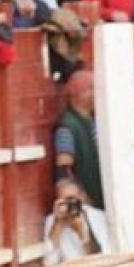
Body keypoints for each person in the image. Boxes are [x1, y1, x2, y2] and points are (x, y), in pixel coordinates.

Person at [54, 68, 103, 211]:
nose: (96, 94)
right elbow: (64, 168)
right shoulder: (67, 127)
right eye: (92, 89)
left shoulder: (94, 119)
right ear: (80, 94)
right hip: (88, 196)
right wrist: (80, 195)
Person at [41, 176, 108, 265]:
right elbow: (49, 263)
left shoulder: (97, 216)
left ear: (82, 197)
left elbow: (103, 258)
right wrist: (57, 225)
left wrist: (83, 234)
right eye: (64, 201)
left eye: (72, 199)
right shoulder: (53, 220)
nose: (70, 205)